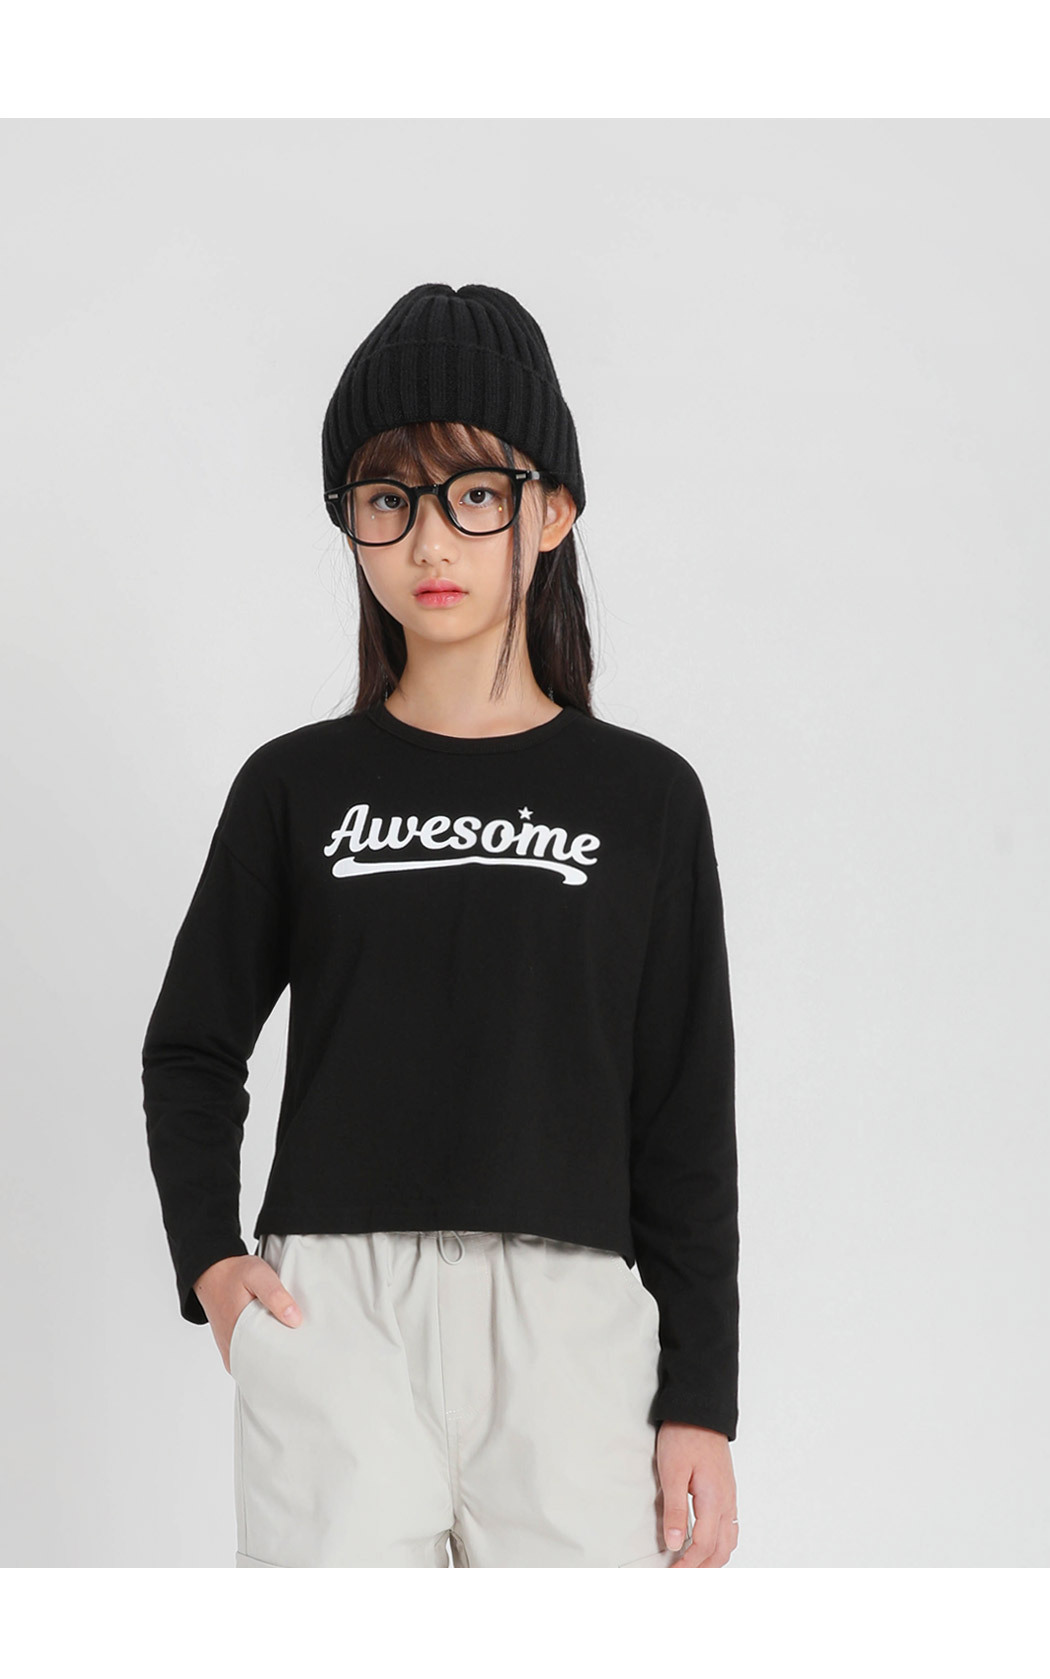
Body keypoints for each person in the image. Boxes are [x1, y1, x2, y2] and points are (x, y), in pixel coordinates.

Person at [141, 280, 740, 1569]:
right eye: (387, 498)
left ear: (553, 511)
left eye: (474, 493)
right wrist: (214, 1267)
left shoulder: (644, 798)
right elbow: (191, 1046)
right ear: (352, 524)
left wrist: (701, 1397)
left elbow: (684, 1109)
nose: (430, 542)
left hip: (571, 1327)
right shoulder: (294, 787)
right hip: (336, 1316)